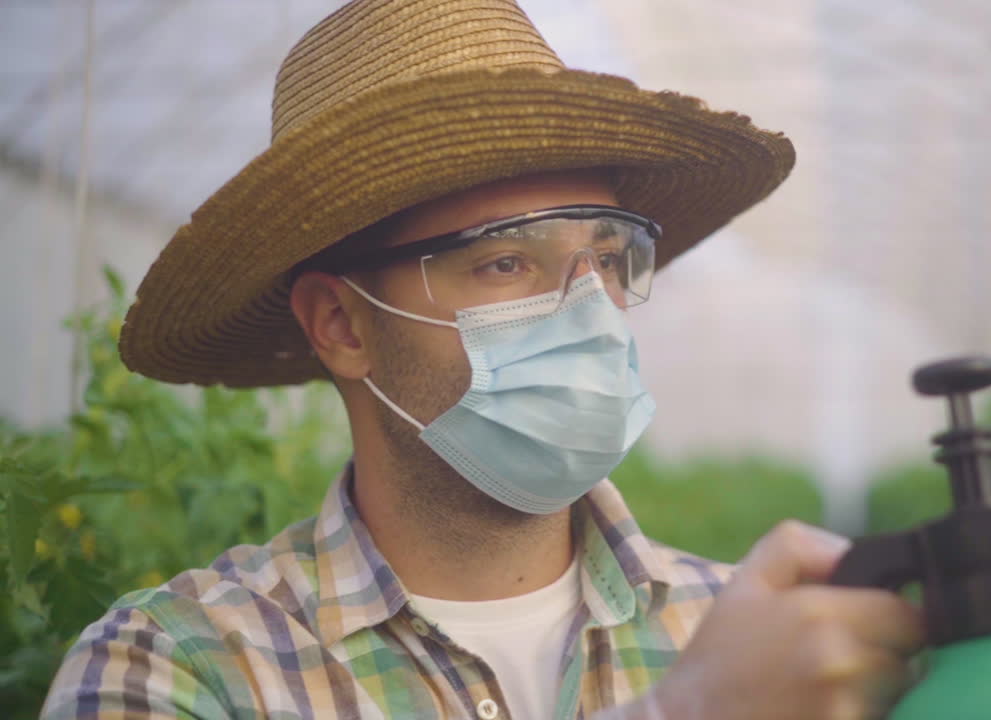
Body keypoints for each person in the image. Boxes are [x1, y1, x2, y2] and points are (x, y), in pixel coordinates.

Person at [42, 1, 924, 718]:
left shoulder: (745, 636)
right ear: (342, 324)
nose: (592, 314)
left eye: (610, 259)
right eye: (507, 261)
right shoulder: (184, 666)